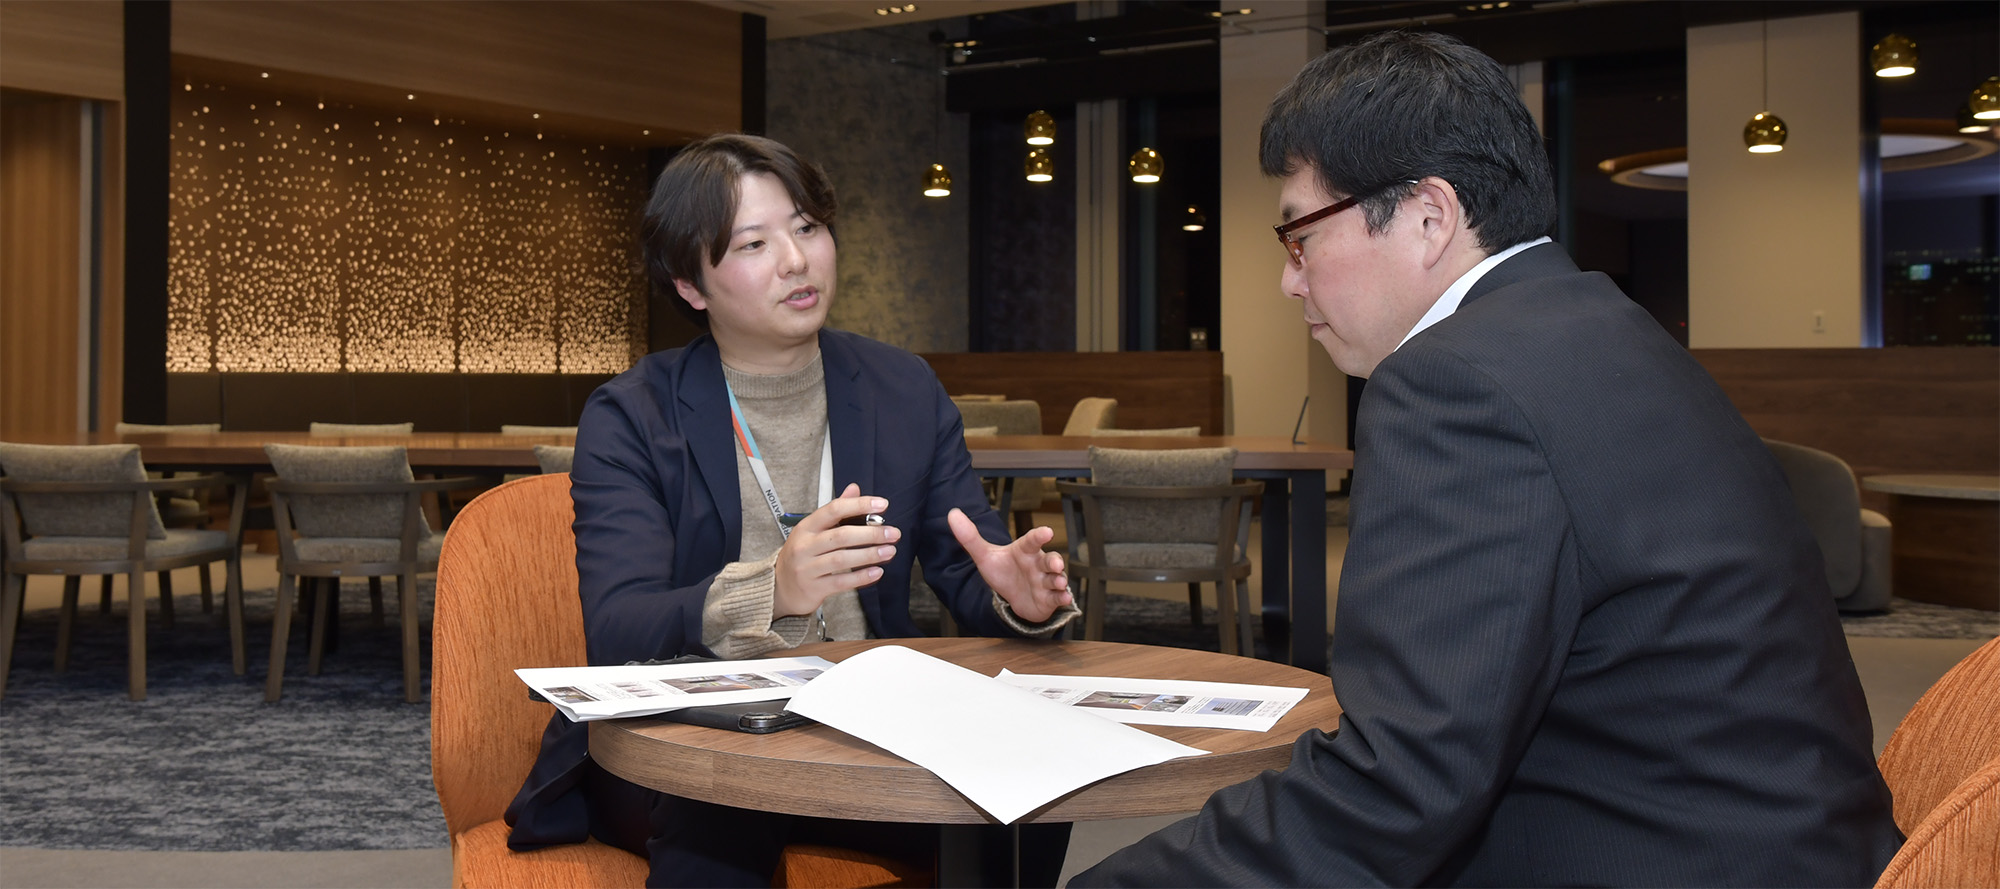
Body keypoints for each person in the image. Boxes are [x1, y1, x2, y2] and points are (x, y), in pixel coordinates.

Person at [1073, 30, 1902, 888]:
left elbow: (1393, 790)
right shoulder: (1599, 326)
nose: (1290, 280)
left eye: (1300, 236)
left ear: (1429, 217)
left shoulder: (1456, 382)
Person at [503, 133, 1079, 887]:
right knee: (722, 806)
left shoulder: (903, 388)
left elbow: (967, 567)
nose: (796, 259)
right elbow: (619, 626)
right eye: (754, 243)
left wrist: (1018, 599)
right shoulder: (634, 415)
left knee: (1037, 771)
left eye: (806, 227)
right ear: (691, 285)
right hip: (699, 734)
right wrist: (773, 588)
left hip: (870, 727)